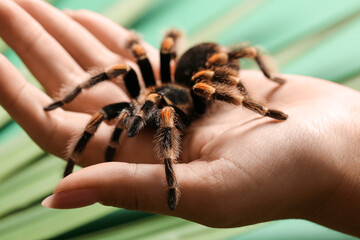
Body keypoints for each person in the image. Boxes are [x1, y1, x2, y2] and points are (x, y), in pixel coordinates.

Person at [1, 0, 360, 237]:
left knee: (170, 106)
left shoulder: (197, 88)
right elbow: (125, 79)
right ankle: (69, 148)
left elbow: (198, 90)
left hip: (190, 89)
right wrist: (65, 102)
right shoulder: (138, 98)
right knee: (109, 94)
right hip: (164, 88)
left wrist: (263, 109)